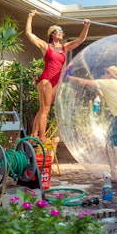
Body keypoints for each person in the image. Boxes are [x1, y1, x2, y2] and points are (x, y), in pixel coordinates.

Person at [68, 65, 117, 183]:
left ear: (111, 75)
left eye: (105, 72)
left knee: (109, 143)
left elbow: (84, 82)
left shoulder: (107, 82)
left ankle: (114, 173)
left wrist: (68, 77)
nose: (103, 75)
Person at [25, 10, 90, 143]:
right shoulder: (46, 46)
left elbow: (80, 40)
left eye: (61, 31)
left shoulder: (64, 47)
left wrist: (86, 26)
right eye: (58, 30)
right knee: (46, 108)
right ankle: (42, 137)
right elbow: (29, 34)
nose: (61, 32)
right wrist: (30, 17)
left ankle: (34, 133)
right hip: (46, 79)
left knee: (43, 108)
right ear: (52, 34)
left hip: (55, 81)